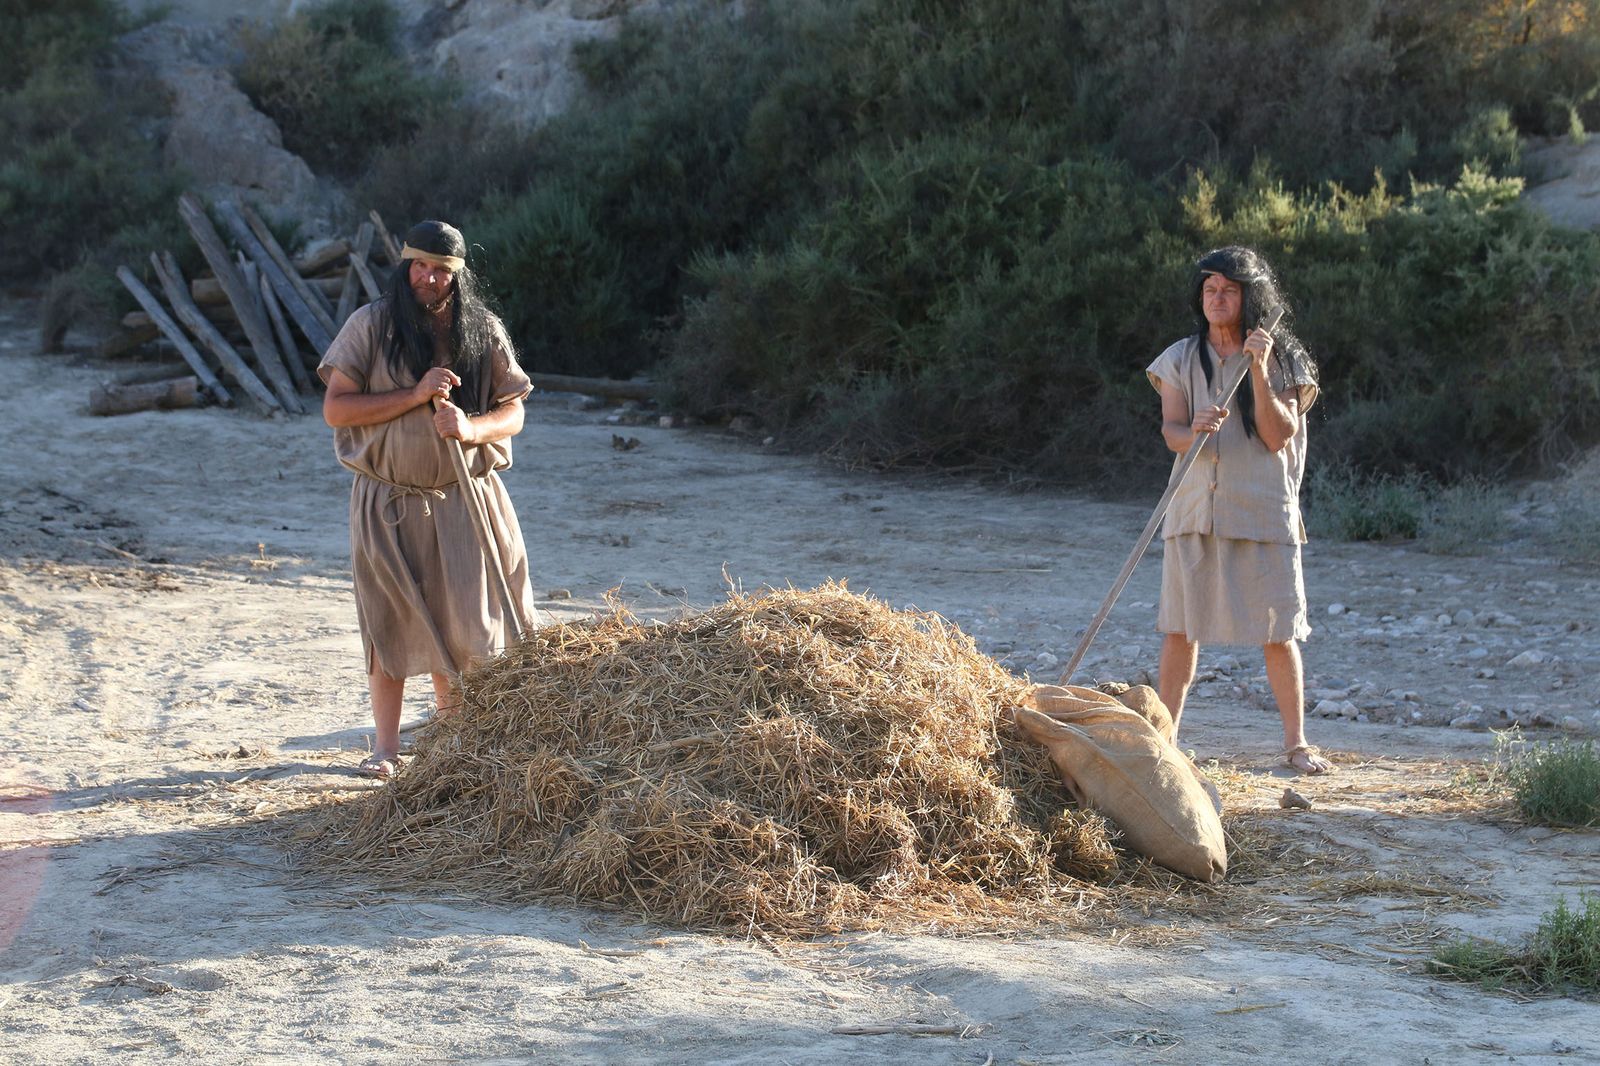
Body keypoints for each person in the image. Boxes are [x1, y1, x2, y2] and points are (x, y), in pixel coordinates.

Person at [319, 219, 536, 779]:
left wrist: (470, 428)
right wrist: (413, 395)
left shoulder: (482, 329)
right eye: (419, 265)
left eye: (441, 270)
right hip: (386, 499)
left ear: (457, 277)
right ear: (405, 266)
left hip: (466, 500)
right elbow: (337, 409)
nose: (428, 278)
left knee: (465, 627)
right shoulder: (370, 325)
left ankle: (450, 748)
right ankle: (386, 751)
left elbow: (514, 410)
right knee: (389, 623)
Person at [1146, 245, 1333, 775]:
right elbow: (1171, 431)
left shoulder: (1286, 359)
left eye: (1229, 289)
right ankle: (1167, 742)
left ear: (1251, 296)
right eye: (1210, 289)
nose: (1217, 298)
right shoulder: (1181, 357)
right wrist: (1193, 431)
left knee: (1279, 630)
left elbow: (1277, 435)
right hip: (1193, 510)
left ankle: (1296, 744)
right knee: (1180, 628)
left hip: (1262, 511)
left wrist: (1257, 366)